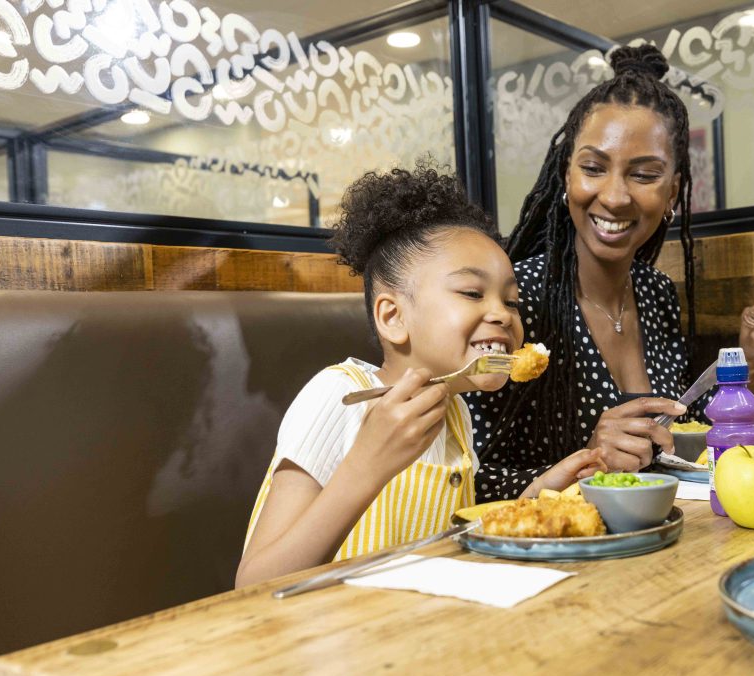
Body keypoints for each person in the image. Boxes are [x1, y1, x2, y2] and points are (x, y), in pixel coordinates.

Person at [236, 163, 605, 587]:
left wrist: (536, 495)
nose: (503, 314)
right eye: (471, 293)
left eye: (513, 301)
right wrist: (367, 464)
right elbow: (255, 585)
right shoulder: (340, 396)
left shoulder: (456, 414)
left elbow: (444, 545)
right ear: (393, 317)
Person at [467, 44, 754, 500]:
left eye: (644, 175)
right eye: (593, 168)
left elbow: (675, 424)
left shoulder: (655, 292)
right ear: (566, 176)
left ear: (672, 192)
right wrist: (587, 460)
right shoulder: (514, 300)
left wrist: (748, 367)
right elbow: (463, 481)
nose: (615, 196)